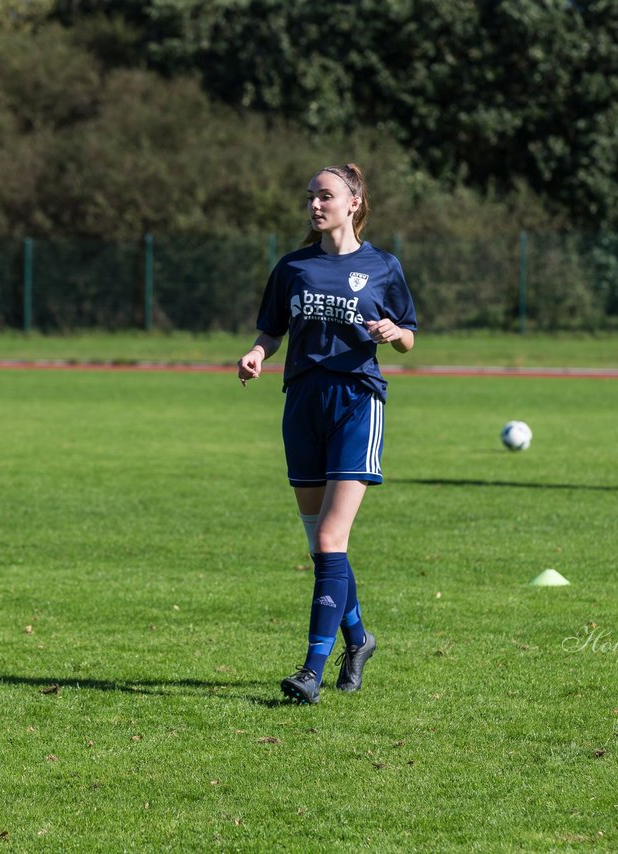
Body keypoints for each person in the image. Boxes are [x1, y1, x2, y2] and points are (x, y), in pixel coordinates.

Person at [237, 163, 417, 704]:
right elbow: (273, 328)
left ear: (354, 202)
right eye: (311, 196)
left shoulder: (383, 266)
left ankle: (311, 671)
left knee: (329, 540)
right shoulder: (293, 267)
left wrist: (393, 332)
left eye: (326, 196)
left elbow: (408, 336)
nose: (316, 205)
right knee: (322, 545)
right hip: (303, 406)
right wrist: (255, 353)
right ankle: (359, 640)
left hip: (357, 402)